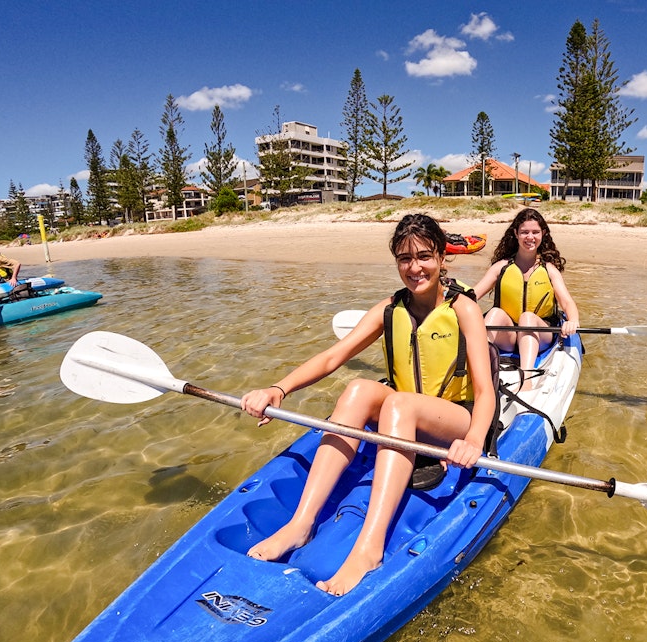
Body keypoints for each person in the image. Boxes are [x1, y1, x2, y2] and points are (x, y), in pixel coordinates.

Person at [239, 213, 495, 597]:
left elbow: (485, 389)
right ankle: (301, 523)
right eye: (405, 259)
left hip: (454, 420)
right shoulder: (390, 309)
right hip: (406, 412)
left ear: (442, 257)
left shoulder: (464, 309)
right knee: (359, 388)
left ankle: (369, 548)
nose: (415, 268)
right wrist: (280, 388)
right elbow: (332, 357)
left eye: (424, 256)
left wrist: (474, 439)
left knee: (401, 406)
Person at [473, 208, 580, 372]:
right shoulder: (501, 267)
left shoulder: (549, 270)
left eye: (535, 232)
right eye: (524, 232)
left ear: (543, 233)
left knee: (527, 318)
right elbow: (473, 295)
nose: (530, 237)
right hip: (508, 336)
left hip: (541, 335)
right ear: (516, 233)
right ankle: (477, 369)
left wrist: (572, 321)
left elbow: (567, 302)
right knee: (494, 314)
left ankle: (527, 374)